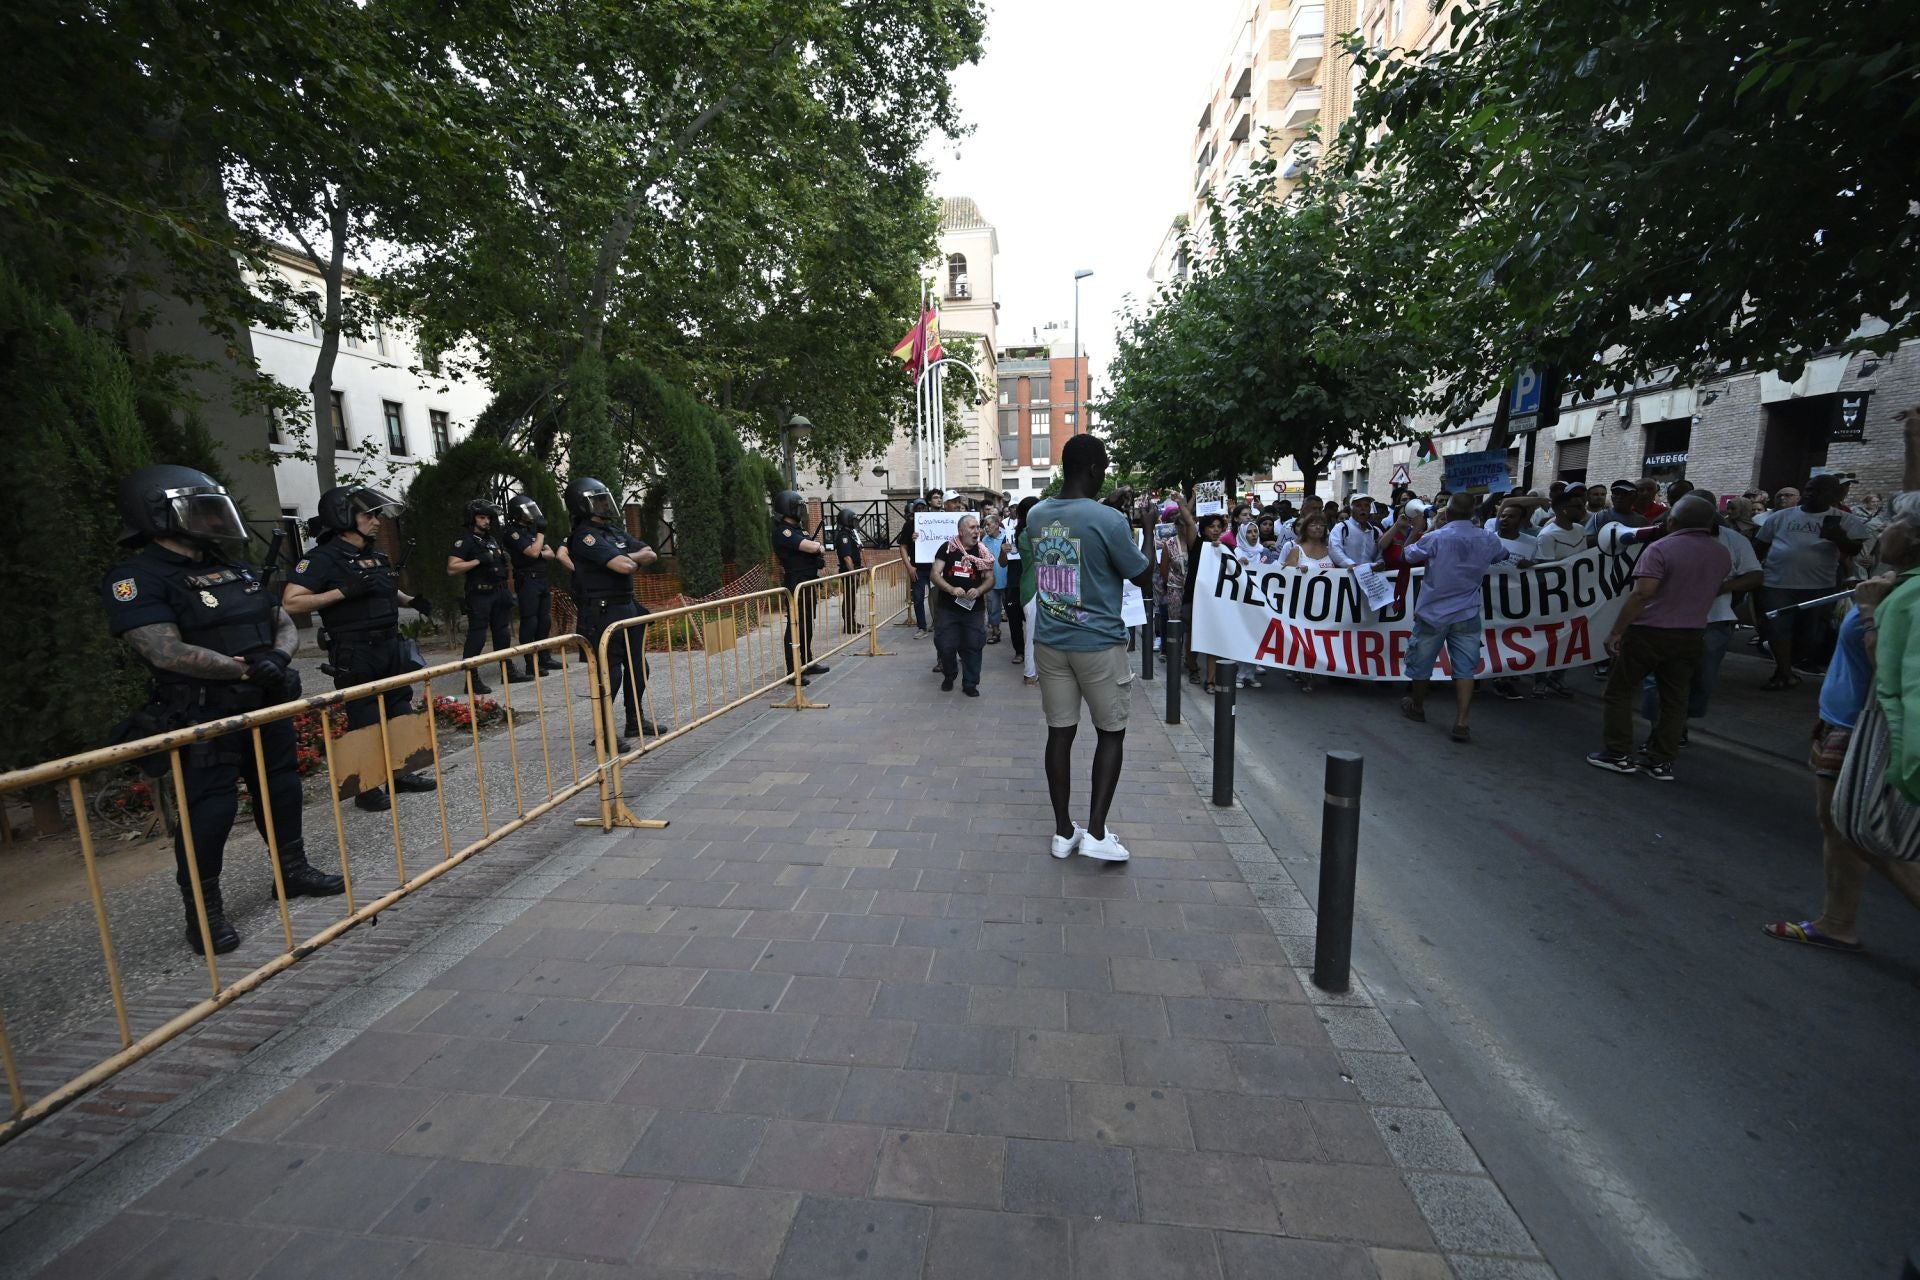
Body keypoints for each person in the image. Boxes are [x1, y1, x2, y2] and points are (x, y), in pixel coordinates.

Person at [105, 465, 344, 955]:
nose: (212, 519)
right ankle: (204, 909)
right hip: (203, 714)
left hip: (264, 701)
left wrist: (278, 657)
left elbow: (278, 617)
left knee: (281, 788)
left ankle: (291, 871)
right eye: (199, 510)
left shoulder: (231, 564)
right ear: (156, 516)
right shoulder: (136, 577)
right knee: (210, 811)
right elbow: (162, 650)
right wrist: (241, 672)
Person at [1763, 516, 1920, 951]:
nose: (1882, 528)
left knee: (1864, 833)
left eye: (1895, 523)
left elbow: (1889, 665)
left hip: (1865, 728)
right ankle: (1837, 921)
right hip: (1845, 720)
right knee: (1838, 827)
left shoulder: (1909, 595)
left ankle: (1837, 921)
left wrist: (1869, 611)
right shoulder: (1900, 583)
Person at [1030, 435, 1151, 862]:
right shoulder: (1111, 520)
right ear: (1096, 469)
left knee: (1059, 735)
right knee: (1110, 733)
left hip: (1050, 640)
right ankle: (1097, 832)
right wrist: (1146, 527)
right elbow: (1141, 574)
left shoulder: (1036, 515)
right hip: (1098, 644)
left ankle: (1064, 832)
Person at [284, 485, 441, 813]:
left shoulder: (375, 553)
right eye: (368, 515)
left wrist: (412, 601)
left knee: (400, 708)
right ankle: (367, 789)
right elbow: (292, 601)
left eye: (377, 514)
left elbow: (384, 588)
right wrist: (342, 592)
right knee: (365, 718)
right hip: (355, 649)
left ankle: (403, 774)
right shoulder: (321, 558)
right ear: (342, 517)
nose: (377, 520)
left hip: (389, 644)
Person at [1587, 496, 1732, 781]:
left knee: (1618, 691)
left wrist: (1617, 631)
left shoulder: (1660, 548)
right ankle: (1660, 760)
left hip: (1649, 632)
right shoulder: (1720, 553)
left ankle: (1617, 753)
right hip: (1691, 634)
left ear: (1672, 521)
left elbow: (1642, 593)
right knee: (1675, 699)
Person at [1393, 492, 1510, 743]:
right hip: (1467, 612)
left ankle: (1418, 706)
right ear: (1472, 513)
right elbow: (1504, 555)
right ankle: (1462, 721)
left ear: (1450, 512)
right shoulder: (1487, 538)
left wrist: (1415, 529)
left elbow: (1405, 556)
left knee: (1422, 663)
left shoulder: (1436, 537)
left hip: (1433, 613)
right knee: (1465, 668)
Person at [565, 476, 659, 748]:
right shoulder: (585, 537)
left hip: (628, 605)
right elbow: (623, 567)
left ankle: (635, 720)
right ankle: (604, 731)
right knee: (611, 673)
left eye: (604, 498)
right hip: (602, 611)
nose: (605, 504)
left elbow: (650, 554)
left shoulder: (613, 532)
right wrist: (627, 559)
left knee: (638, 667)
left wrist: (626, 558)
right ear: (583, 505)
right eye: (598, 500)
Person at [1756, 473, 1869, 688]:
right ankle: (1783, 672)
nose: (1810, 494)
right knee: (1779, 629)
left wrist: (1837, 536)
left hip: (1820, 585)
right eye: (1808, 489)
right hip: (1777, 583)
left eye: (1818, 490)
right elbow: (1759, 546)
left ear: (1834, 495)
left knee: (1810, 635)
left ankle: (1793, 664)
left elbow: (1855, 549)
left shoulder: (1846, 520)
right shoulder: (1781, 517)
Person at [448, 499, 528, 691]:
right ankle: (471, 679)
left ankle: (508, 672)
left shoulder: (491, 540)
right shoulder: (465, 541)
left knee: (502, 634)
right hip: (480, 594)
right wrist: (477, 560)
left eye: (488, 518)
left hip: (499, 592)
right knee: (477, 637)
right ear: (471, 519)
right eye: (481, 517)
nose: (486, 521)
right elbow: (452, 568)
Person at [501, 492, 568, 679]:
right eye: (527, 511)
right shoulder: (512, 532)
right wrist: (538, 540)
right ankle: (531, 663)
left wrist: (536, 547)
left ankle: (544, 657)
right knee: (530, 621)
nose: (532, 514)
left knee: (544, 620)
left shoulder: (532, 530)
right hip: (527, 580)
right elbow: (534, 552)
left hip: (541, 579)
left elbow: (550, 553)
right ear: (517, 513)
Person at [932, 512, 994, 695]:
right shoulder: (948, 548)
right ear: (961, 531)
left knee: (973, 646)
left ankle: (970, 684)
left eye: (978, 527)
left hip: (973, 609)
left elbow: (990, 578)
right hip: (947, 609)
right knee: (945, 645)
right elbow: (935, 574)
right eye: (972, 527)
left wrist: (980, 590)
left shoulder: (983, 552)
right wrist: (951, 589)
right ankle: (950, 674)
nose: (977, 531)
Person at [771, 490, 830, 682]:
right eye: (797, 508)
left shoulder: (799, 529)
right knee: (796, 626)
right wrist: (818, 548)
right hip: (796, 583)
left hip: (806, 582)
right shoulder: (783, 531)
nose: (800, 511)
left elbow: (810, 549)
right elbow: (811, 547)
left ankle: (807, 662)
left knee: (807, 624)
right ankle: (794, 670)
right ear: (788, 509)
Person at [1011, 495, 1041, 684]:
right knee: (1031, 634)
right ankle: (1030, 673)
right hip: (1032, 589)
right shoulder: (1027, 534)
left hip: (1039, 587)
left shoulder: (1030, 532)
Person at [896, 499, 934, 635]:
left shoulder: (935, 522)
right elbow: (903, 547)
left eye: (923, 508)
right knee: (918, 598)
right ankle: (922, 627)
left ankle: (938, 624)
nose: (921, 511)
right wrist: (909, 567)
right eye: (918, 509)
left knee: (937, 599)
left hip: (935, 568)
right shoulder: (909, 526)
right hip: (917, 568)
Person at [832, 506, 864, 634]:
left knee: (852, 598)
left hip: (854, 570)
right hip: (849, 571)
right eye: (852, 520)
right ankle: (848, 625)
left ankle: (852, 621)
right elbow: (847, 558)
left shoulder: (850, 534)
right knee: (849, 599)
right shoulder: (843, 536)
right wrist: (853, 573)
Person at [1328, 494, 1380, 567]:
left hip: (1370, 575)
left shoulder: (1376, 531)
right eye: (1358, 505)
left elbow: (1380, 554)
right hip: (1346, 574)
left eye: (1366, 505)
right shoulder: (1341, 528)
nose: (1363, 508)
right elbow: (1334, 549)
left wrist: (1379, 563)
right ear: (1351, 508)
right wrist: (1350, 564)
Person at [979, 510, 1006, 645]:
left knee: (1011, 608)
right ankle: (996, 631)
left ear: (997, 525)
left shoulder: (1007, 537)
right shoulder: (984, 540)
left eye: (989, 524)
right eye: (985, 525)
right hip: (991, 581)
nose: (986, 528)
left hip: (1007, 580)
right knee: (992, 607)